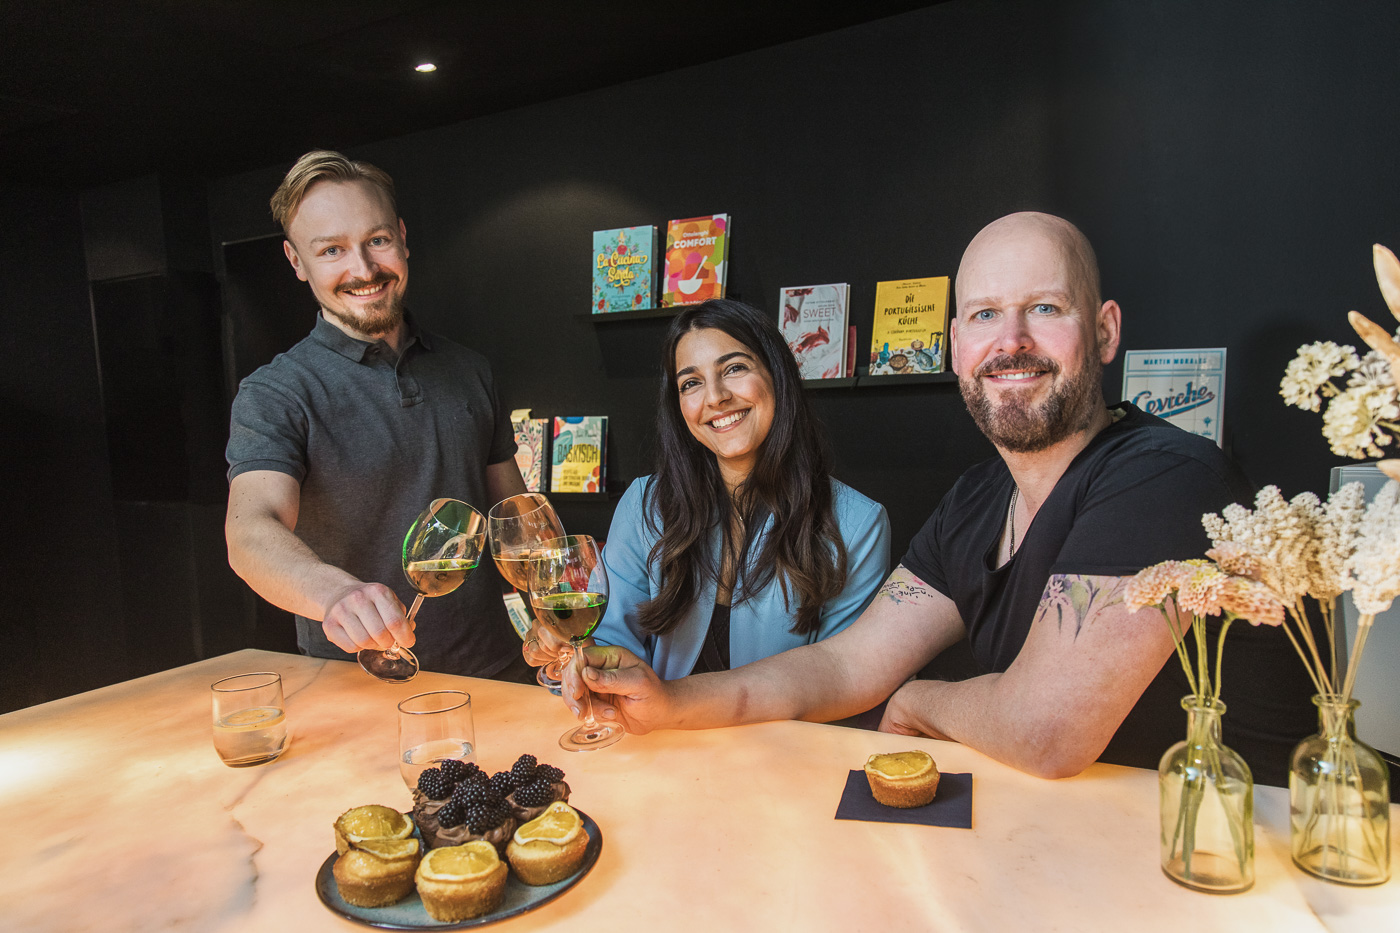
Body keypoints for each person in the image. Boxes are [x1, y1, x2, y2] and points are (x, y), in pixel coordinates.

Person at [563, 212, 1314, 785]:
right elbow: (841, 667)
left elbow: (1046, 730)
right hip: (1080, 837)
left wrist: (925, 700)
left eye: (1046, 308)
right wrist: (672, 701)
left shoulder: (1165, 474)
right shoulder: (980, 498)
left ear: (1107, 331)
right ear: (956, 343)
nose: (1011, 340)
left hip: (1233, 855)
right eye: (985, 314)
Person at [225, 149, 530, 680]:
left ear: (403, 237)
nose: (363, 269)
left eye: (377, 241)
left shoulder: (471, 370)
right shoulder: (275, 392)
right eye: (331, 250)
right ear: (297, 262)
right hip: (358, 683)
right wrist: (335, 592)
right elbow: (251, 530)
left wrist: (548, 598)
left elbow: (512, 511)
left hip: (498, 672)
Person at [529, 298, 890, 678]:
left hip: (787, 737)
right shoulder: (644, 505)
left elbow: (840, 684)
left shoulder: (857, 525)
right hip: (657, 734)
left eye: (734, 368)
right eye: (691, 383)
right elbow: (610, 645)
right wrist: (575, 660)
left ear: (777, 375)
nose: (715, 397)